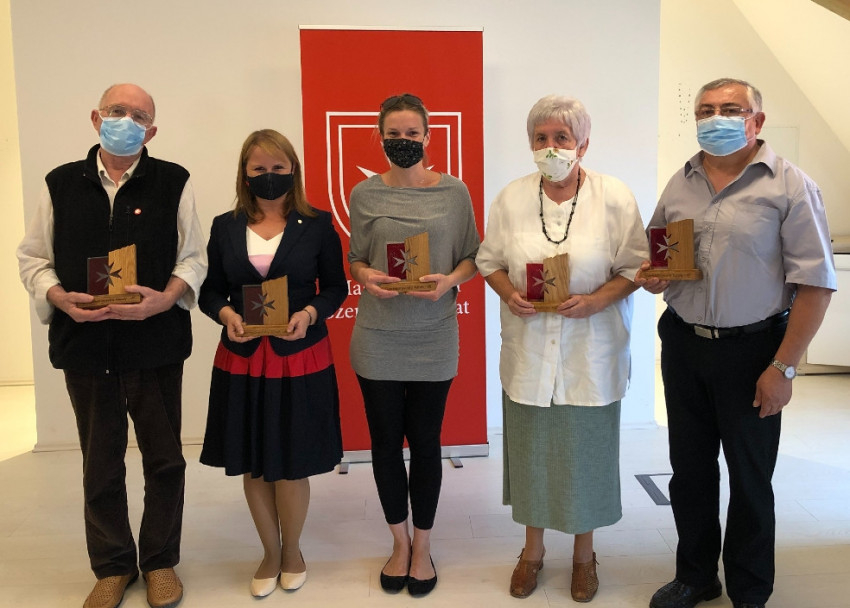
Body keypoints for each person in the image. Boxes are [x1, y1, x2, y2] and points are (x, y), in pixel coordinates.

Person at [637, 78, 835, 608]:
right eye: (706, 110)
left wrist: (784, 368)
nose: (716, 118)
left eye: (730, 109)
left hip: (754, 352)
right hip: (684, 343)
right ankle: (696, 575)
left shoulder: (790, 186)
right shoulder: (680, 182)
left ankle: (749, 589)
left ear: (757, 121)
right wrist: (654, 276)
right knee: (690, 472)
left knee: (749, 478)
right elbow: (660, 255)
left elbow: (816, 286)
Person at [16, 83, 207, 608]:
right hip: (85, 345)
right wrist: (58, 296)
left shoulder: (173, 181)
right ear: (96, 117)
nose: (127, 120)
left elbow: (194, 257)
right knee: (100, 463)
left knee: (164, 460)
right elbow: (33, 257)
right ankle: (113, 565)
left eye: (139, 115)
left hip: (155, 344)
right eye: (117, 110)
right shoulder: (60, 183)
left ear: (152, 130)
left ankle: (161, 562)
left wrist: (165, 298)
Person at [475, 94, 649, 602]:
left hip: (589, 354)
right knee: (532, 458)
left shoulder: (614, 197)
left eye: (562, 138)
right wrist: (508, 293)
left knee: (584, 460)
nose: (551, 147)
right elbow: (490, 261)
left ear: (583, 144)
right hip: (529, 351)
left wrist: (595, 301)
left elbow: (635, 267)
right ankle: (531, 553)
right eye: (541, 138)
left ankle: (583, 556)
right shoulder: (511, 198)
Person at [198, 129, 346, 598]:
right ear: (245, 173)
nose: (269, 175)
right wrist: (225, 314)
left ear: (293, 170)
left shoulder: (317, 224)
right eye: (259, 168)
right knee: (254, 461)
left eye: (278, 167)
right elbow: (209, 290)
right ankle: (268, 552)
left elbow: (335, 288)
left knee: (292, 461)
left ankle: (293, 551)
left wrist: (309, 314)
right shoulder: (225, 226)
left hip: (298, 356)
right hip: (243, 358)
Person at [347, 93, 480, 597]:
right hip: (377, 336)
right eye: (393, 134)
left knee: (426, 443)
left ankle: (422, 546)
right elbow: (355, 258)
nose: (403, 141)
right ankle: (398, 543)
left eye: (411, 133)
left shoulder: (454, 192)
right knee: (385, 443)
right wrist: (366, 276)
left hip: (433, 334)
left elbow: (472, 256)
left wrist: (449, 282)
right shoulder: (364, 194)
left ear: (427, 136)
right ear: (380, 137)